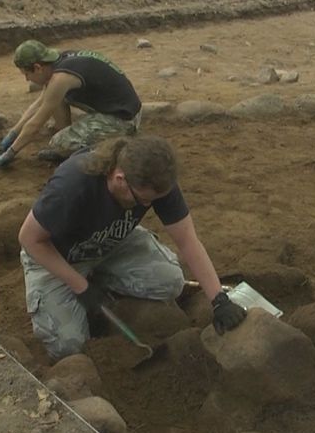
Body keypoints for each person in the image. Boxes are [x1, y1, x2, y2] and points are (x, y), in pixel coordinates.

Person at [17, 134, 246, 361]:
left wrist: (218, 300)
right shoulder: (73, 185)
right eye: (142, 201)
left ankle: (101, 280)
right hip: (57, 255)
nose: (147, 206)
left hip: (110, 242)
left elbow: (187, 239)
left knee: (170, 282)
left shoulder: (158, 182)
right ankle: (86, 287)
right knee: (69, 347)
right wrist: (81, 286)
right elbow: (29, 238)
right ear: (119, 179)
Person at [0, 40, 143, 167]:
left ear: (38, 68)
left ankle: (113, 144)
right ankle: (74, 137)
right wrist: (12, 134)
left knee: (58, 143)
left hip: (123, 119)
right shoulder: (60, 62)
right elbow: (38, 104)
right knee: (54, 100)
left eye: (27, 74)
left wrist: (11, 152)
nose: (27, 79)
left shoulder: (61, 79)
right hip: (122, 107)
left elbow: (35, 124)